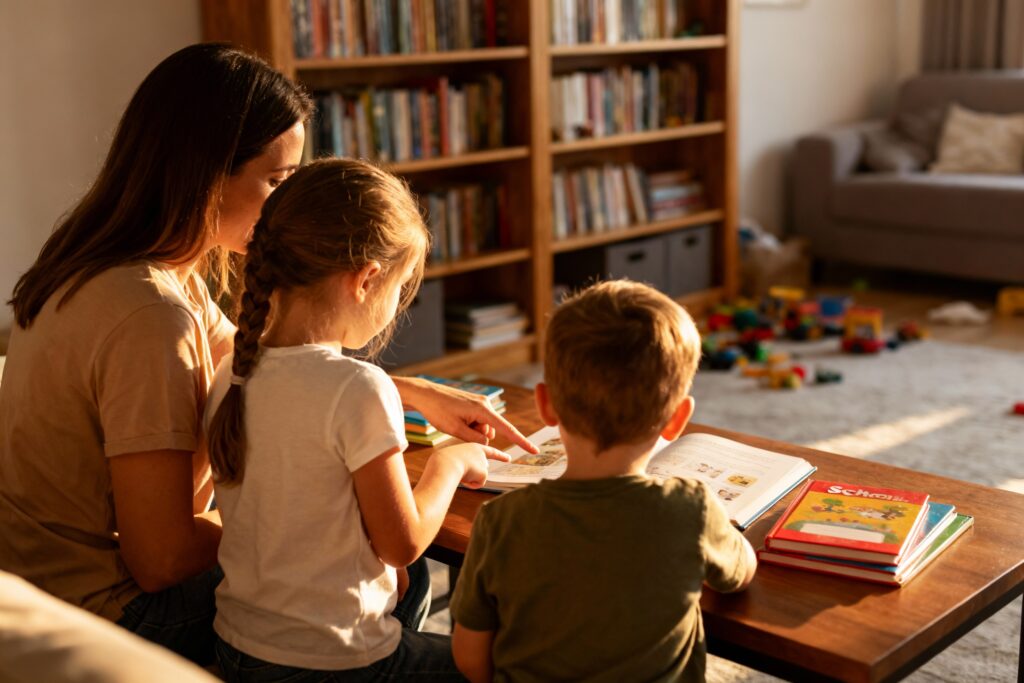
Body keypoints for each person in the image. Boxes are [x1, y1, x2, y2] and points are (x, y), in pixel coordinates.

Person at [0, 43, 532, 667]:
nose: (285, 205)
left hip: (48, 579)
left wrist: (410, 390)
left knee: (381, 575)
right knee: (377, 577)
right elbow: (162, 557)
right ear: (205, 171)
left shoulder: (131, 268)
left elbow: (264, 356)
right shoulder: (147, 316)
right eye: (278, 180)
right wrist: (309, 530)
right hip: (111, 609)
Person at [203, 157, 508, 682]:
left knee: (406, 587)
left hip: (239, 647)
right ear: (367, 279)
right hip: (333, 665)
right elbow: (402, 544)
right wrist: (451, 463)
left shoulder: (234, 369)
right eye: (400, 288)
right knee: (508, 665)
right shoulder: (356, 388)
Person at [449, 280, 758, 683]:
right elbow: (741, 573)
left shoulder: (499, 521)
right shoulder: (692, 509)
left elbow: (471, 662)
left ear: (545, 406)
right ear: (678, 419)